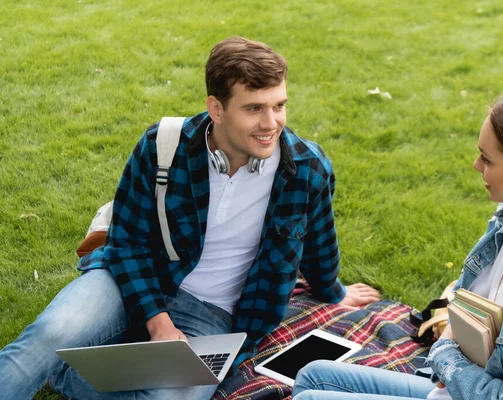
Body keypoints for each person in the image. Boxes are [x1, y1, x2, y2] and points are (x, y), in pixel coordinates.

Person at [0, 36, 381, 400]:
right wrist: (159, 323)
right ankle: (66, 356)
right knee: (50, 334)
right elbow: (127, 243)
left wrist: (335, 292)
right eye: (253, 109)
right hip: (133, 278)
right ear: (216, 108)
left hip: (214, 312)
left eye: (278, 105)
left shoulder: (307, 169)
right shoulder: (162, 146)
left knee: (175, 395)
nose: (271, 124)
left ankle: (68, 372)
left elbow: (318, 242)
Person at [291, 87, 503, 400]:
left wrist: (445, 356)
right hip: (460, 386)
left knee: (309, 398)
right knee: (313, 375)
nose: (476, 166)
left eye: (488, 159)